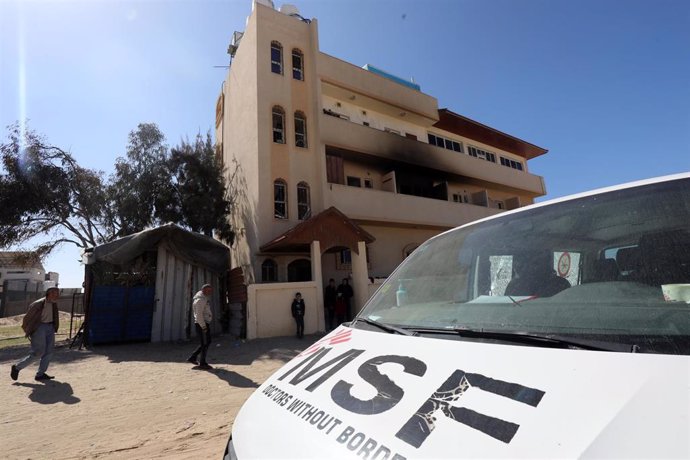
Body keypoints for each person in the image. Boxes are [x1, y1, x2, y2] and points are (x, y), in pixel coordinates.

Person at [11, 287, 60, 382]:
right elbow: (27, 318)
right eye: (55, 293)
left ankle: (40, 374)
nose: (57, 295)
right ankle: (17, 368)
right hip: (39, 328)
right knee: (38, 353)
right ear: (49, 293)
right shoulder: (38, 304)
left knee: (49, 352)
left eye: (58, 293)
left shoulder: (54, 304)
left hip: (50, 327)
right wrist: (29, 330)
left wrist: (54, 327)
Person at [187, 284, 213, 370]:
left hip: (203, 324)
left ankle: (193, 357)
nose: (210, 292)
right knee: (205, 343)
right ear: (203, 290)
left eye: (210, 290)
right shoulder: (200, 300)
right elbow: (199, 316)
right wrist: (204, 327)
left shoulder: (203, 298)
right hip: (201, 324)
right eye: (208, 290)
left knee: (206, 342)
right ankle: (202, 363)